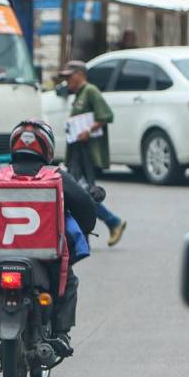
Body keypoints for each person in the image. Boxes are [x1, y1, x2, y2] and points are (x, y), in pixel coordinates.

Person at [0, 120, 96, 355]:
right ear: (46, 147)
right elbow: (86, 210)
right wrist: (87, 227)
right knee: (68, 282)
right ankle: (60, 332)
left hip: (0, 256)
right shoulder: (57, 177)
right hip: (46, 260)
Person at [58, 60, 127, 246]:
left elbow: (106, 115)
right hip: (76, 154)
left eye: (69, 77)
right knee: (77, 193)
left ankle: (112, 222)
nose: (67, 82)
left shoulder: (91, 91)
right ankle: (87, 234)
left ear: (80, 74)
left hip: (85, 155)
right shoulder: (79, 94)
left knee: (83, 194)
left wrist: (88, 130)